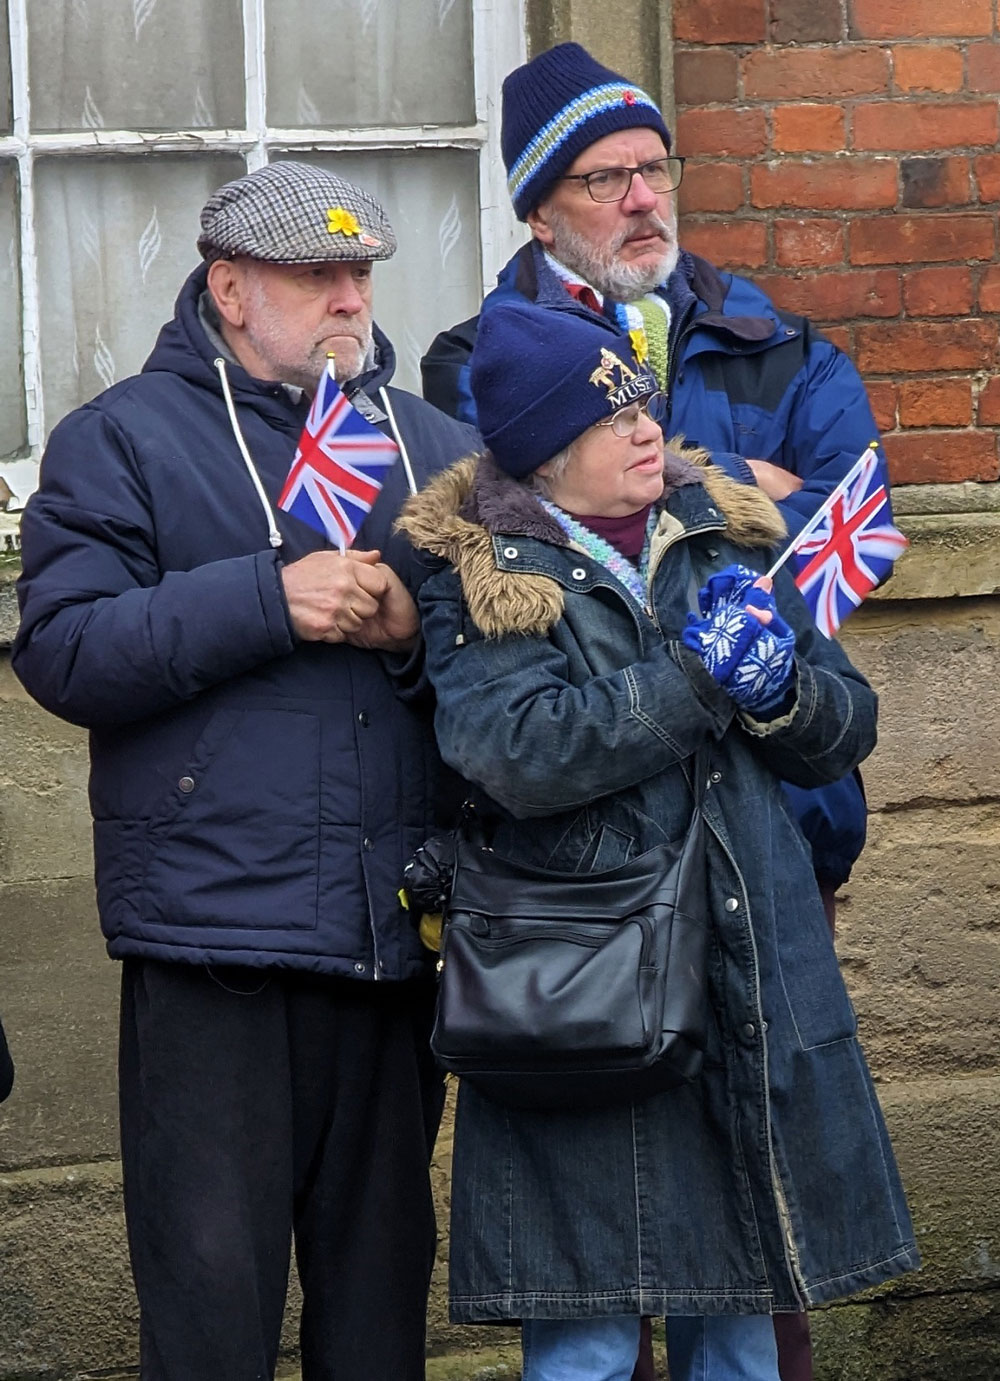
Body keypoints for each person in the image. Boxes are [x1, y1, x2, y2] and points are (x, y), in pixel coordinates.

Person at [420, 46, 884, 1376]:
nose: (643, 195)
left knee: (750, 1308)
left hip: (758, 891)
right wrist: (694, 671)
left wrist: (785, 685)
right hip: (580, 955)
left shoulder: (731, 447)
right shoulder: (488, 485)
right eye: (605, 174)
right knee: (590, 1332)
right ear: (538, 203)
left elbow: (845, 607)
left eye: (654, 167)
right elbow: (514, 742)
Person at [12, 160, 478, 1381]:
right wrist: (263, 600)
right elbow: (62, 648)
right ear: (229, 287)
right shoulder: (120, 438)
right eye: (313, 273)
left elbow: (518, 679)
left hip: (390, 950)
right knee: (211, 1322)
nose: (347, 295)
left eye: (360, 272)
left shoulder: (438, 451)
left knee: (378, 1326)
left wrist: (417, 637)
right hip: (212, 951)